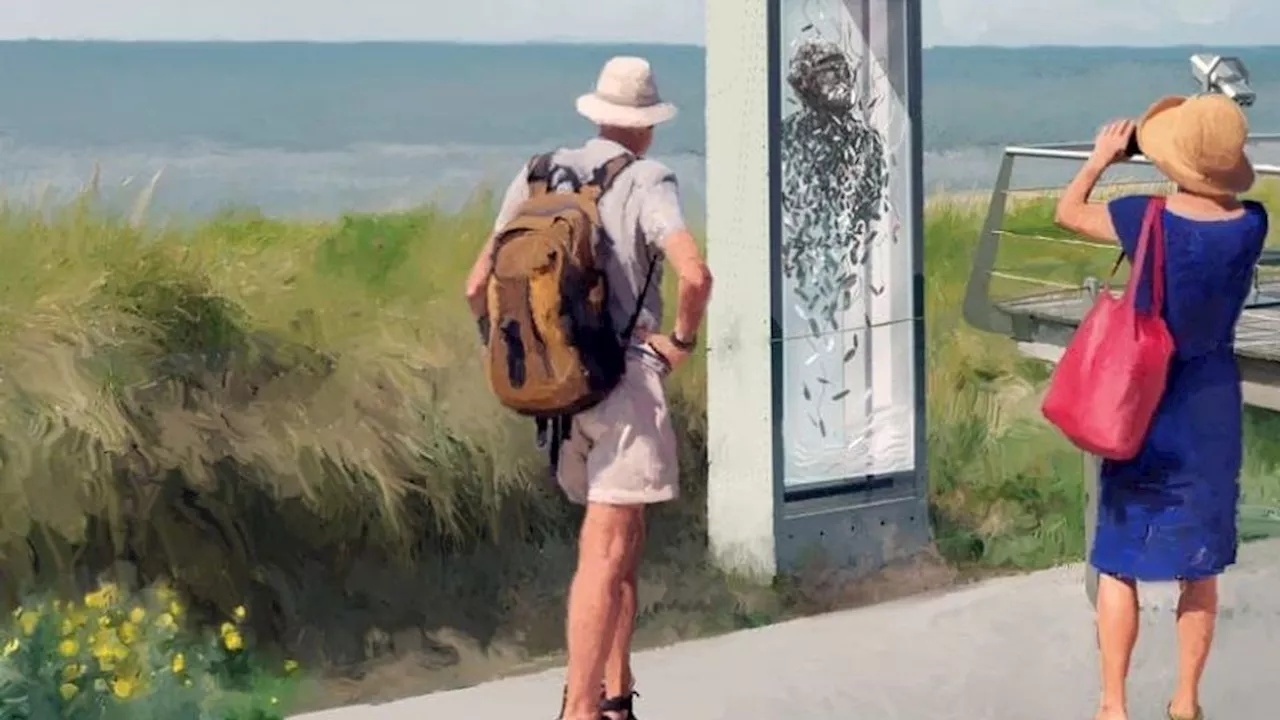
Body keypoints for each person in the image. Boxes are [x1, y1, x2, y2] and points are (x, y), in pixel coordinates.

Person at [463, 56, 713, 720]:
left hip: (561, 394)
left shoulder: (539, 173)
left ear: (597, 113)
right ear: (648, 126)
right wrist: (681, 343)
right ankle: (578, 709)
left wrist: (526, 356)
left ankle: (617, 696)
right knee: (604, 555)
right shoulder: (648, 179)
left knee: (620, 547)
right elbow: (695, 274)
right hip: (623, 385)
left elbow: (475, 286)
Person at [1054, 94, 1267, 720]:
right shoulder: (1252, 225)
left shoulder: (1142, 217)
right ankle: (1186, 701)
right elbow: (1212, 210)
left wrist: (1101, 159)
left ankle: (1114, 705)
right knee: (1199, 567)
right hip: (1209, 408)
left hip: (1141, 401)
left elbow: (1067, 213)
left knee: (1119, 561)